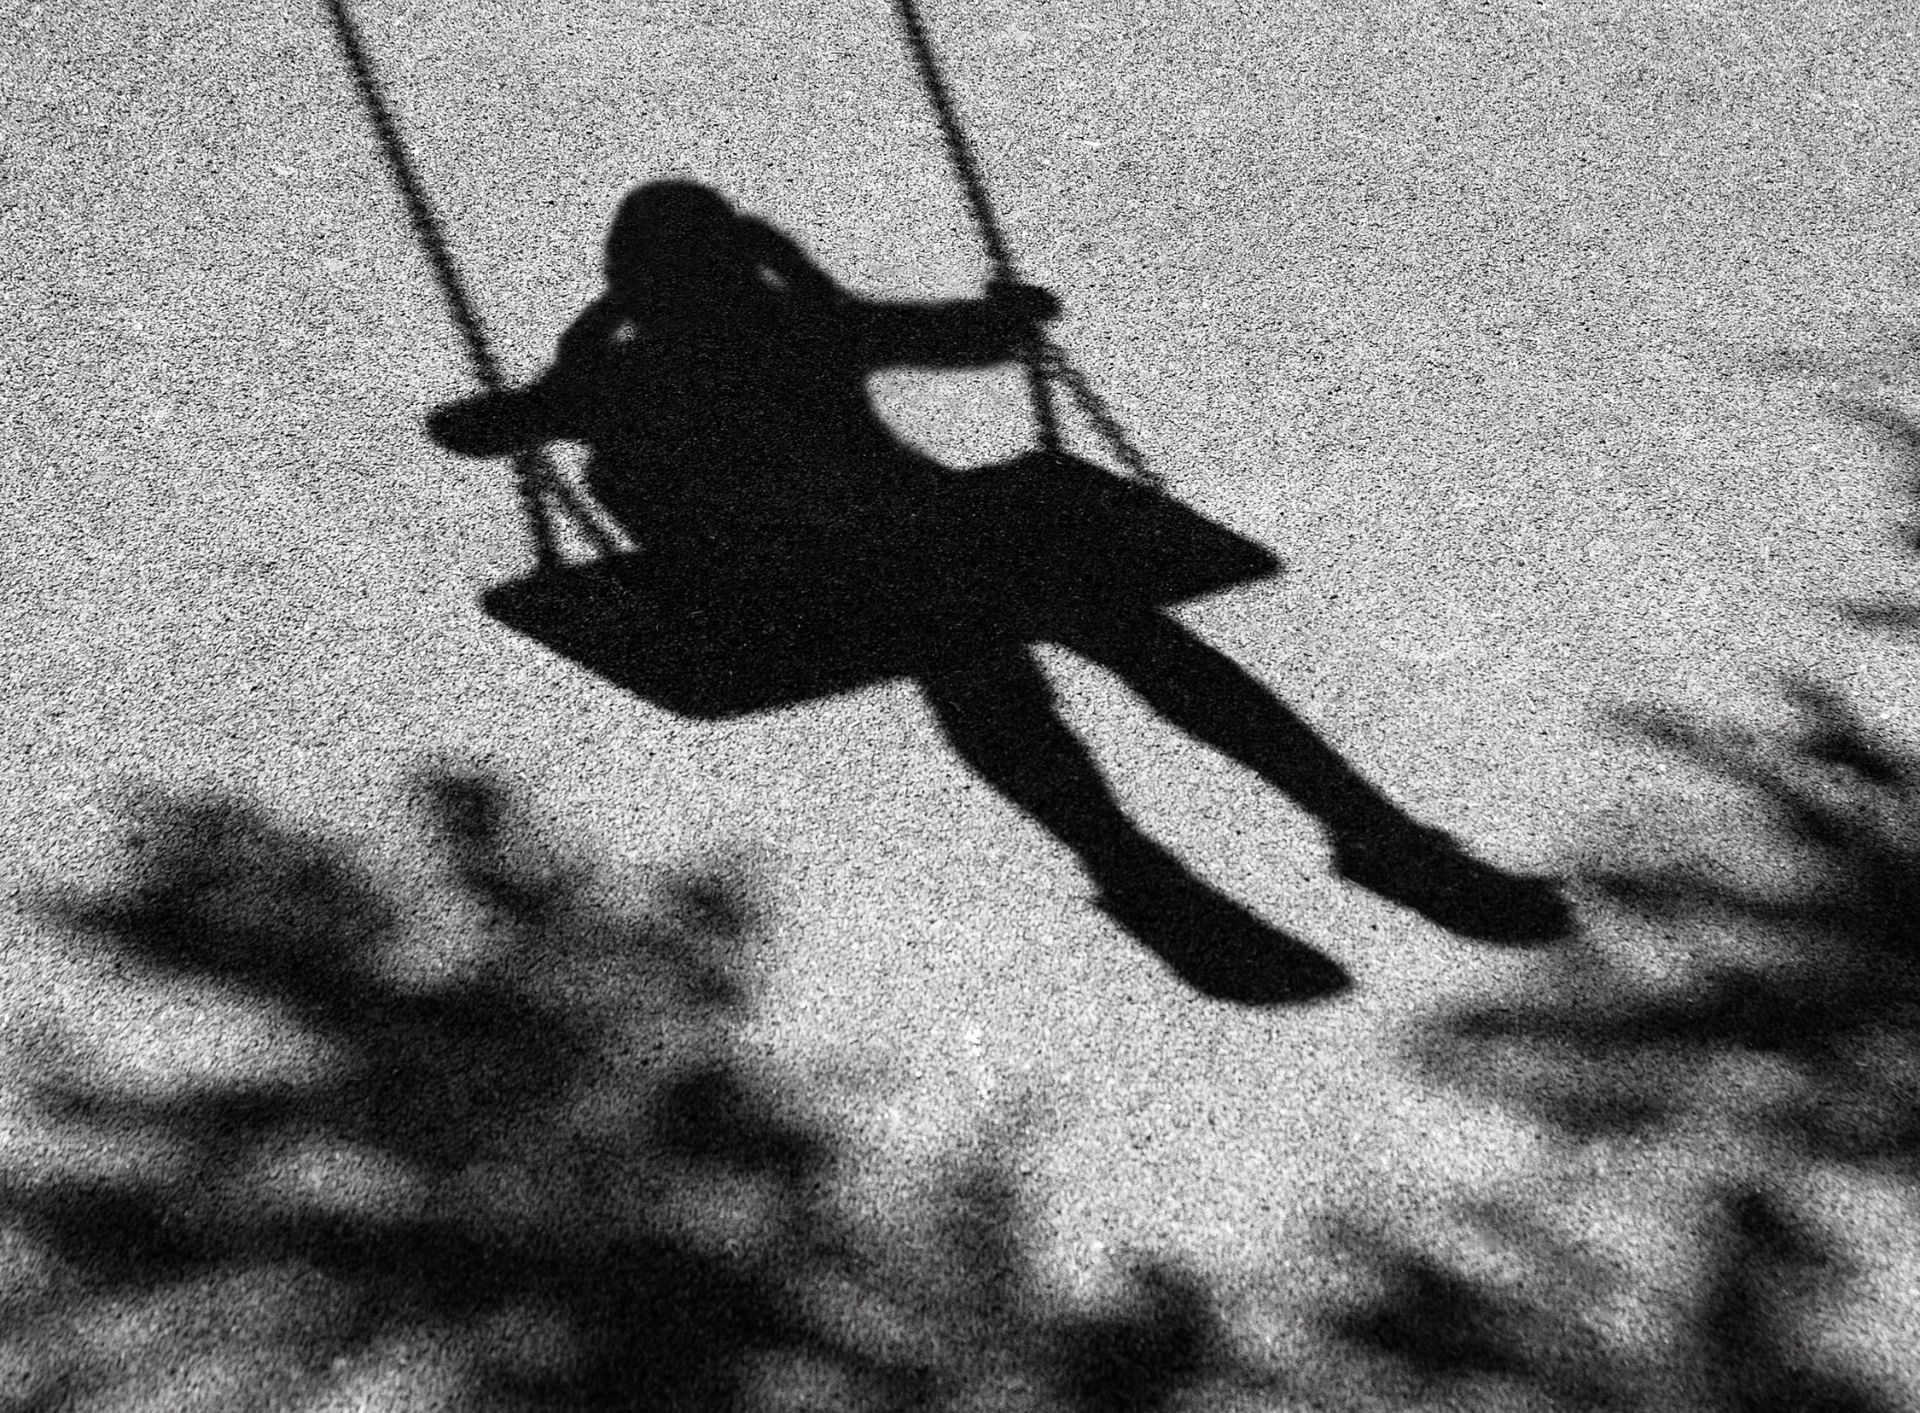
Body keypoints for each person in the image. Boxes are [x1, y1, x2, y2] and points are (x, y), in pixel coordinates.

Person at [431, 181, 1571, 1005]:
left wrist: (585, 357)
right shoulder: (685, 361)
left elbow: (981, 335)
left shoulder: (739, 344)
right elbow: (476, 428)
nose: (717, 286)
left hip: (904, 562)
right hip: (818, 585)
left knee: (1071, 640)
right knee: (1043, 643)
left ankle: (1255, 850)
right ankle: (1292, 844)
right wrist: (588, 363)